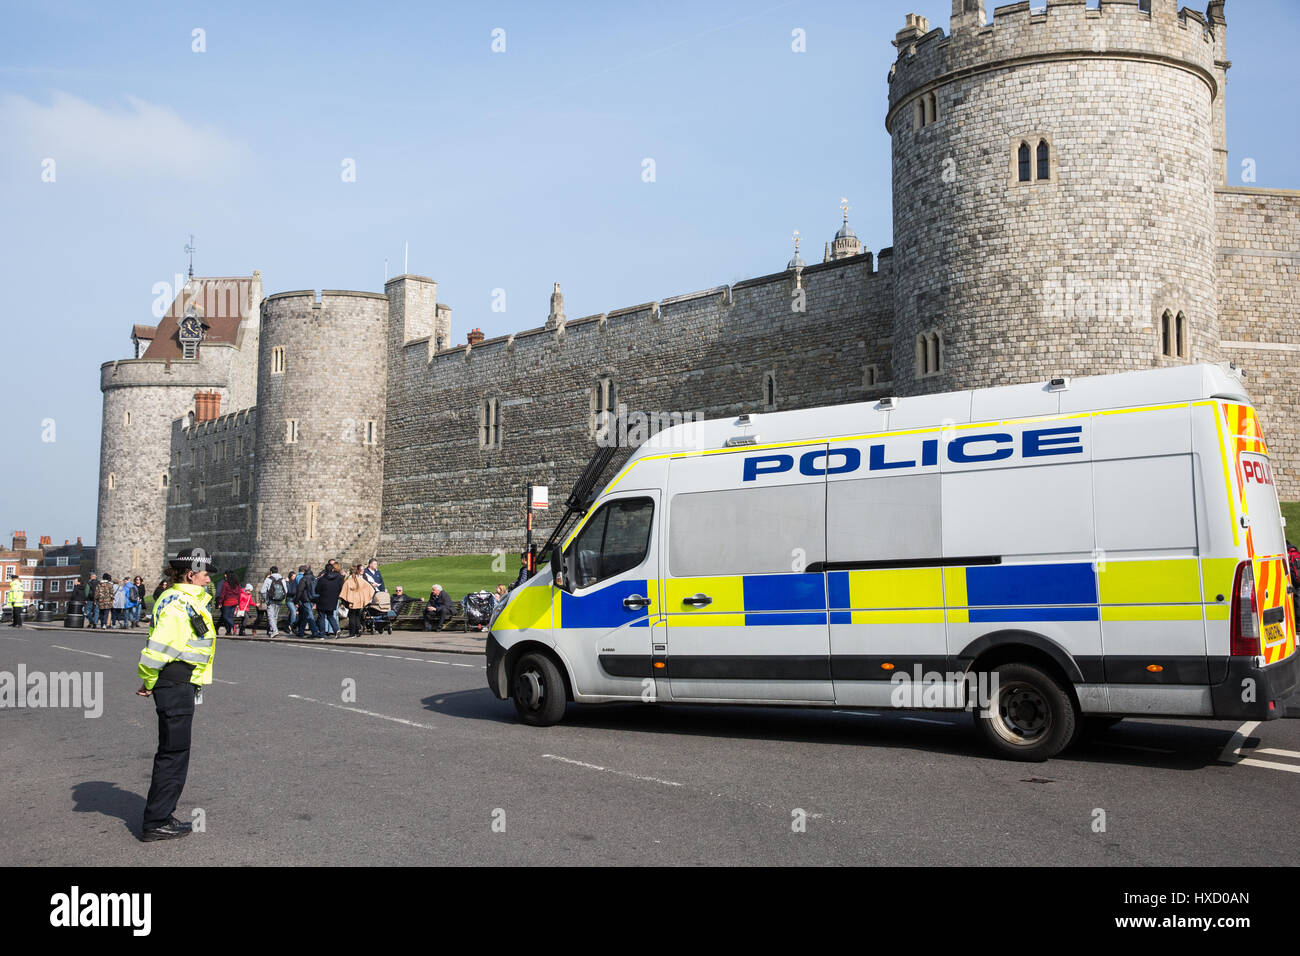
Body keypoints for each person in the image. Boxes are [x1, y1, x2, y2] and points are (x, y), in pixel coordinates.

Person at [136, 548, 218, 842]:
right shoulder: (178, 605)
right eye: (205, 574)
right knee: (174, 754)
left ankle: (160, 815)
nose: (209, 579)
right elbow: (158, 649)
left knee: (173, 751)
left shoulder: (180, 600)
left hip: (178, 683)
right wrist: (148, 679)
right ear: (190, 574)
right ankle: (156, 821)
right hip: (175, 684)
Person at [339, 564, 375, 638]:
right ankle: (358, 630)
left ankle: (352, 633)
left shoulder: (348, 581)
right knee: (357, 616)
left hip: (351, 601)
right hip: (359, 601)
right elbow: (370, 588)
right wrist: (364, 598)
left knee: (352, 617)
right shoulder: (361, 580)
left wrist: (345, 600)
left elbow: (343, 592)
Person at [314, 560, 345, 637]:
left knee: (321, 616)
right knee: (330, 616)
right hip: (333, 599)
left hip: (322, 599)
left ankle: (322, 633)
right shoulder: (338, 578)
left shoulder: (322, 579)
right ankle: (336, 630)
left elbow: (317, 590)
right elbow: (340, 588)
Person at [260, 566, 287, 637]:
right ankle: (272, 630)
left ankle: (275, 630)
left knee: (270, 616)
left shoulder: (268, 579)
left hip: (270, 600)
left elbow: (262, 591)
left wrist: (265, 598)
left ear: (271, 572)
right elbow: (286, 591)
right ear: (278, 571)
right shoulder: (282, 579)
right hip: (279, 600)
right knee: (275, 616)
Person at [294, 565, 319, 638]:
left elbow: (300, 590)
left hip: (306, 599)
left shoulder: (304, 579)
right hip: (313, 598)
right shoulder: (315, 578)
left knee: (309, 615)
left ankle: (314, 631)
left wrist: (296, 600)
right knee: (305, 615)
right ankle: (301, 631)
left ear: (304, 571)